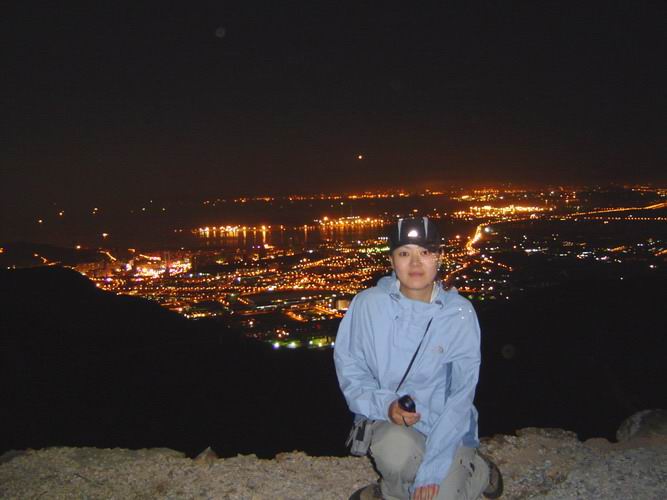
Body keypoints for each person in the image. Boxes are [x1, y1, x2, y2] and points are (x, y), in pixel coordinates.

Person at [334, 217, 503, 500]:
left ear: (439, 257)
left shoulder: (458, 314)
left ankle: (479, 470)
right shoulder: (368, 305)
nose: (415, 263)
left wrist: (432, 472)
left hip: (447, 426)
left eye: (425, 252)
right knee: (392, 451)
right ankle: (390, 491)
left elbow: (461, 395)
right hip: (394, 422)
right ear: (391, 261)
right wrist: (386, 405)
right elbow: (351, 369)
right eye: (404, 253)